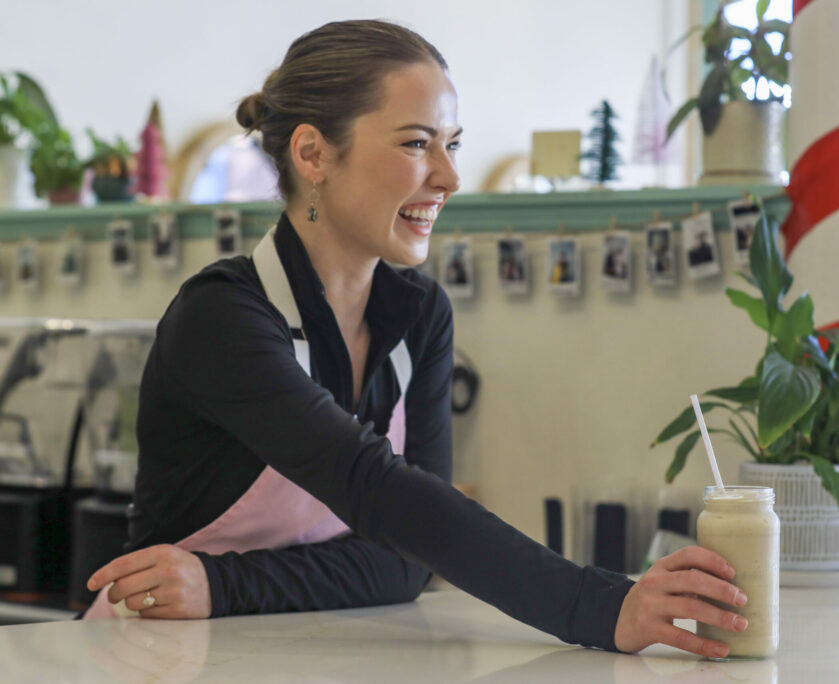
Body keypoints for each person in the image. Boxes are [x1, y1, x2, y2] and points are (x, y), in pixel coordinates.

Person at [83, 20, 749, 657]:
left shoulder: (419, 314)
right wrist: (603, 607)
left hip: (314, 652)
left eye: (451, 143)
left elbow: (405, 560)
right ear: (312, 153)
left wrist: (223, 583)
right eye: (415, 143)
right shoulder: (221, 318)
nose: (449, 177)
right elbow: (376, 490)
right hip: (157, 652)